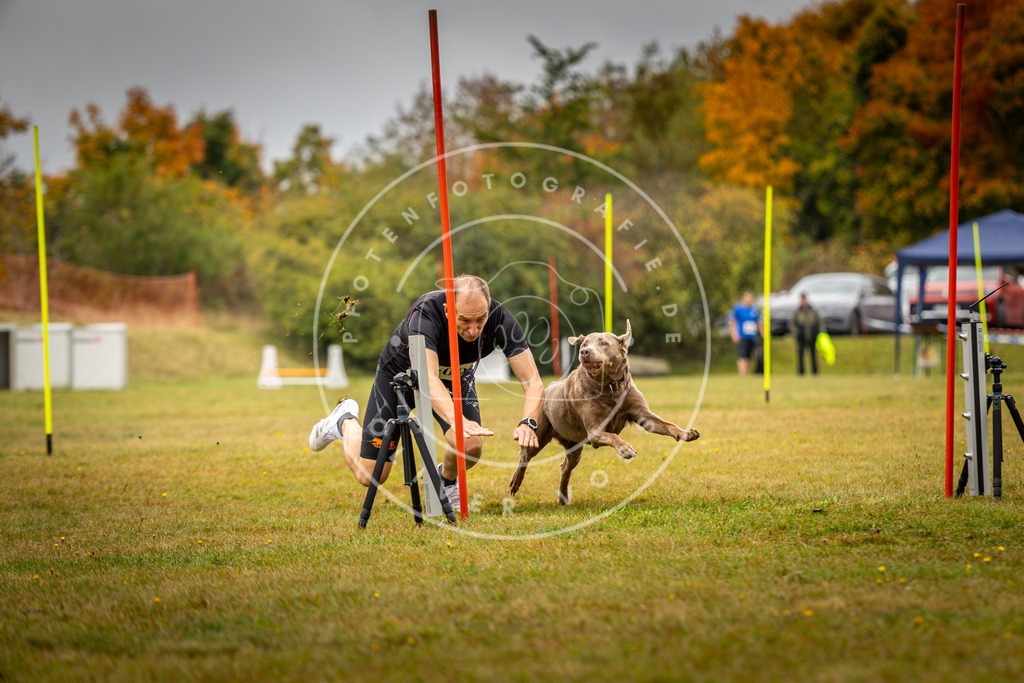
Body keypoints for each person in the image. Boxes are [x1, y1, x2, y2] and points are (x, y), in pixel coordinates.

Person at [307, 274, 544, 511]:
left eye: (480, 319)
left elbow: (533, 381)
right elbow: (428, 377)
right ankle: (344, 420)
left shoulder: (501, 319)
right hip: (400, 378)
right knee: (370, 476)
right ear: (448, 310)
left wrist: (528, 422)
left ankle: (447, 480)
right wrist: (456, 420)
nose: (473, 330)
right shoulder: (425, 313)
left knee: (470, 446)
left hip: (452, 380)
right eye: (464, 320)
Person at [729, 291, 762, 376]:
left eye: (750, 297)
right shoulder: (738, 309)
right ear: (743, 298)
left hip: (752, 336)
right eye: (747, 297)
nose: (749, 299)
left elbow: (758, 322)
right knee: (742, 355)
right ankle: (742, 373)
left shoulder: (754, 309)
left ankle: (746, 372)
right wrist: (734, 334)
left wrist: (762, 333)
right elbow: (732, 321)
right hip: (742, 335)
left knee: (748, 356)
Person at [792, 293, 822, 375]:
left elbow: (819, 322)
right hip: (801, 336)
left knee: (813, 355)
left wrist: (820, 332)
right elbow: (792, 324)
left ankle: (815, 371)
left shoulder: (813, 310)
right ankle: (801, 372)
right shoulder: (797, 311)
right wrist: (796, 332)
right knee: (800, 355)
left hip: (812, 335)